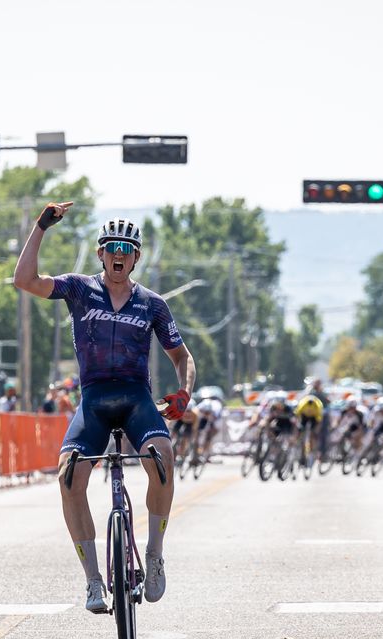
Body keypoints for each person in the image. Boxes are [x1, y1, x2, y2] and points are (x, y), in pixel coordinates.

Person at [14, 204, 195, 613]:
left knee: (163, 457)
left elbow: (182, 357)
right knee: (67, 477)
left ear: (136, 257)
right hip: (94, 400)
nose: (118, 253)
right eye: (111, 247)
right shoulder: (79, 289)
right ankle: (93, 580)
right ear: (100, 254)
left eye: (126, 248)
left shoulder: (152, 303)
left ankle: (154, 554)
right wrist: (41, 226)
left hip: (136, 399)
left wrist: (184, 392)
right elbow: (24, 280)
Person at [194, 386, 226, 460]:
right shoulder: (217, 403)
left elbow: (197, 410)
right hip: (210, 421)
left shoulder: (206, 402)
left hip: (208, 420)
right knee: (208, 438)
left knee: (203, 436)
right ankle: (204, 453)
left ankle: (200, 452)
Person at [294, 389, 324, 461]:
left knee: (313, 433)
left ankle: (312, 447)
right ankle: (297, 441)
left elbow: (319, 420)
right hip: (304, 416)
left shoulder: (317, 405)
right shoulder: (303, 403)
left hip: (314, 417)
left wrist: (316, 429)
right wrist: (298, 425)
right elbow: (297, 413)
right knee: (300, 429)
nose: (310, 409)